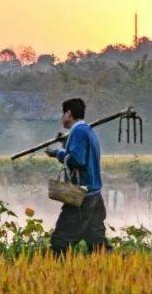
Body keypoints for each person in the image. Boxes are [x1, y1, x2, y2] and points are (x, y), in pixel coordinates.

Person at [44, 98, 110, 255]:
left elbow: (77, 159)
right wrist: (66, 143)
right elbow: (82, 153)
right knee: (96, 241)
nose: (62, 118)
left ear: (69, 113)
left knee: (61, 240)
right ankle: (111, 267)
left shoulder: (78, 132)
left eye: (63, 114)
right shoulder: (87, 130)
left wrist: (57, 154)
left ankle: (55, 272)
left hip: (82, 196)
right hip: (94, 195)